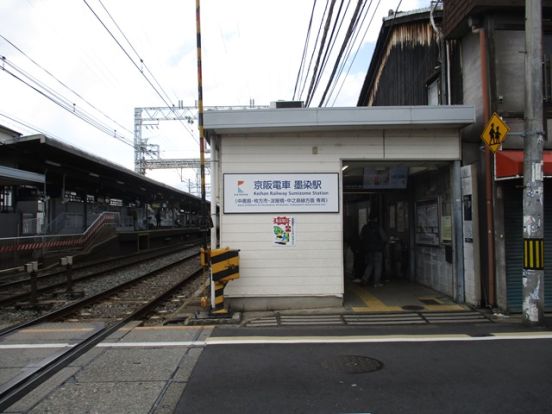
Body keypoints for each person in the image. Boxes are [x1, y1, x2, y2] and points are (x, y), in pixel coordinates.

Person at [358, 219, 386, 287]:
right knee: (378, 266)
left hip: (368, 250)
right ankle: (376, 283)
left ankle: (364, 279)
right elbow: (384, 238)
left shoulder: (365, 227)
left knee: (370, 265)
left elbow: (361, 237)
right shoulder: (378, 227)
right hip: (377, 250)